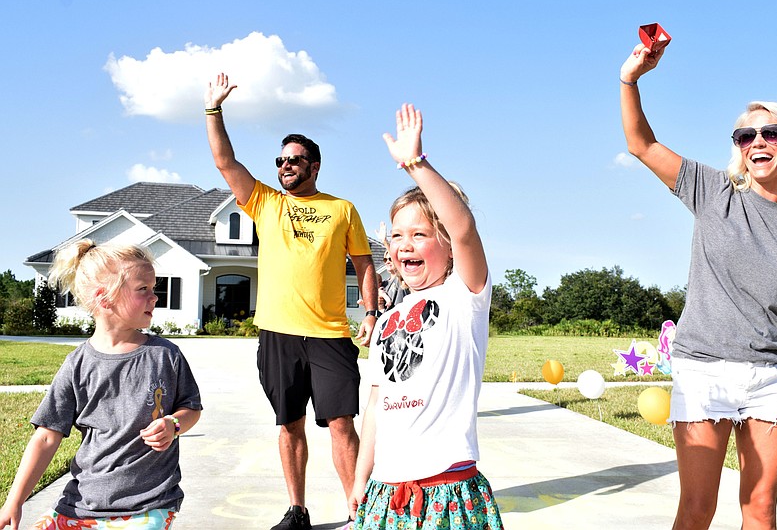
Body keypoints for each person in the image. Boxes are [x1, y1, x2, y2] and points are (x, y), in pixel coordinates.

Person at [620, 40, 777, 529]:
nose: (756, 142)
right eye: (745, 136)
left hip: (774, 380)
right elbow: (642, 144)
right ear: (738, 148)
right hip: (704, 372)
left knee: (761, 509)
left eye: (770, 133)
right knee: (697, 509)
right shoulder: (714, 191)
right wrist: (630, 79)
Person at [205, 73, 379, 530]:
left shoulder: (341, 209)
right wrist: (213, 109)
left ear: (315, 166)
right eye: (281, 159)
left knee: (341, 423)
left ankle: (358, 510)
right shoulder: (264, 201)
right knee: (289, 424)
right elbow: (225, 162)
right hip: (278, 334)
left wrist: (372, 312)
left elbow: (363, 265)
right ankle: (297, 510)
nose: (286, 165)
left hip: (329, 335)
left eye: (295, 160)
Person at [347, 104, 504, 530]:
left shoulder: (464, 295)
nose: (405, 245)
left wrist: (415, 165)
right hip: (386, 490)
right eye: (398, 236)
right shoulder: (388, 318)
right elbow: (377, 403)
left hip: (447, 489)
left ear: (448, 246)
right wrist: (361, 476)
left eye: (420, 234)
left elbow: (465, 228)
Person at [0, 240, 202, 530]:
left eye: (153, 288)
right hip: (82, 504)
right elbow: (46, 437)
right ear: (105, 298)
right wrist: (14, 500)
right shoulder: (77, 364)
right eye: (143, 289)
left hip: (149, 506)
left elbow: (191, 408)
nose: (154, 297)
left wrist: (174, 424)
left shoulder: (165, 355)